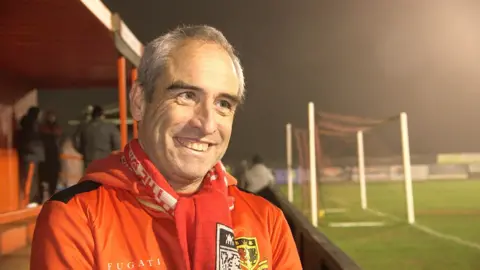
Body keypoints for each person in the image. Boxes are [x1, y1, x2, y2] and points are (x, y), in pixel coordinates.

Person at [31, 25, 301, 270]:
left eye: (223, 104)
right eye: (186, 96)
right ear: (139, 101)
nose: (207, 124)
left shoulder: (267, 221)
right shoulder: (76, 219)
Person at [16, 106, 45, 208]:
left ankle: (32, 199)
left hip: (32, 156)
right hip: (31, 156)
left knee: (32, 178)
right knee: (30, 179)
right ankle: (29, 200)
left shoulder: (29, 126)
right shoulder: (31, 128)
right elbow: (31, 143)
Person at [38, 110, 62, 199]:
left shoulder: (55, 128)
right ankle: (44, 195)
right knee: (45, 177)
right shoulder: (43, 128)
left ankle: (51, 194)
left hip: (53, 156)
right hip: (46, 156)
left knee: (53, 177)